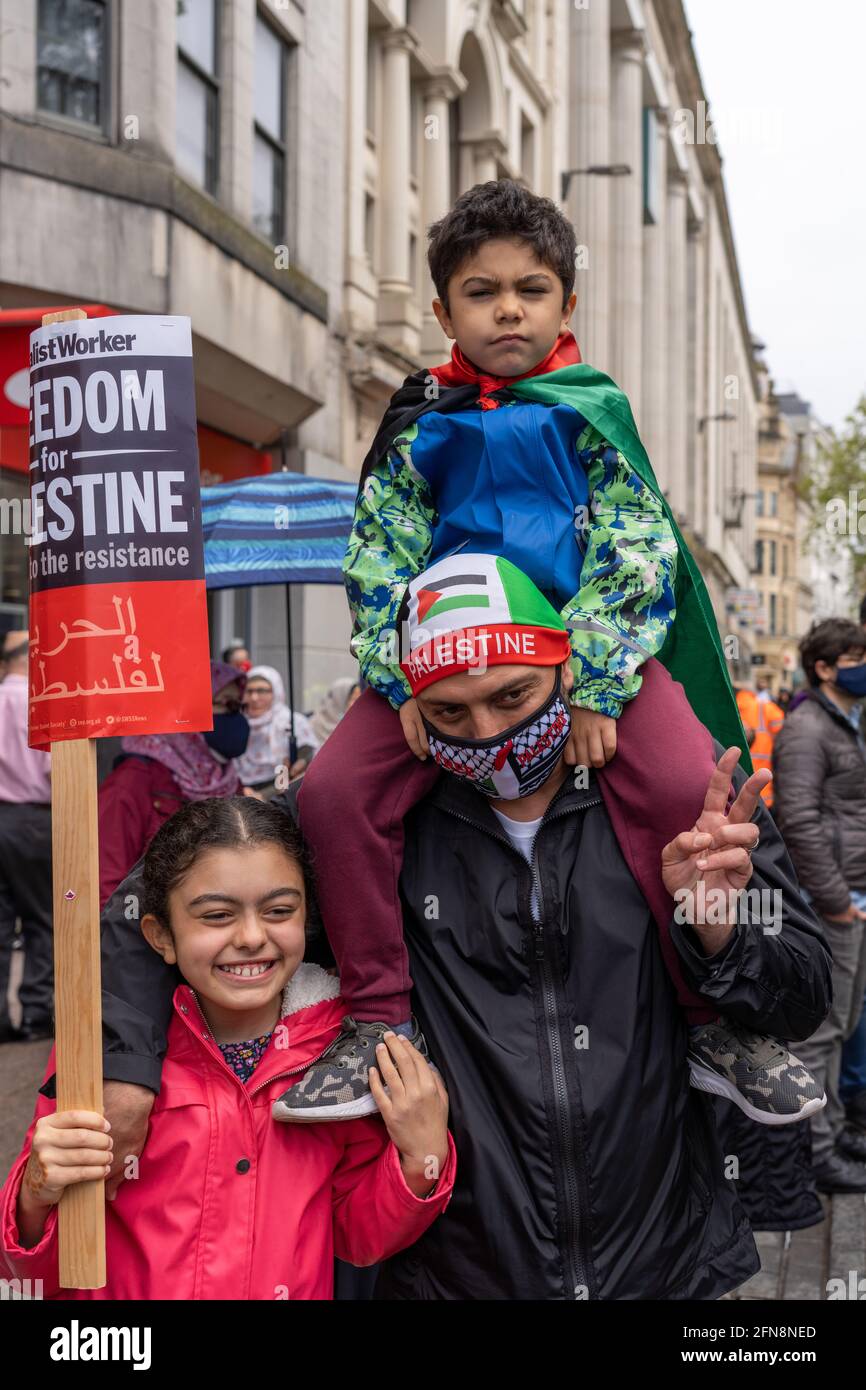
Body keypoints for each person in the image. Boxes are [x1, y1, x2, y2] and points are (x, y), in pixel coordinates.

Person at [57, 560, 830, 1299]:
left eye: (515, 697)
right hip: (455, 1271)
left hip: (662, 1260)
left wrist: (716, 929)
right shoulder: (355, 825)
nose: (488, 730)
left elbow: (802, 1001)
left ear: (571, 671)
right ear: (407, 705)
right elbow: (150, 907)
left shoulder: (690, 811)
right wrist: (124, 1075)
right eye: (451, 712)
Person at [290, 178, 816, 1123]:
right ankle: (375, 1018)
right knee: (330, 795)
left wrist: (601, 685)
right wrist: (395, 677)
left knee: (682, 783)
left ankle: (712, 1024)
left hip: (578, 668)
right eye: (481, 291)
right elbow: (378, 559)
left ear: (566, 304)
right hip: (438, 671)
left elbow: (638, 547)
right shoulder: (418, 426)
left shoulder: (591, 415)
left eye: (530, 289)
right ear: (445, 307)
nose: (507, 309)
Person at [0, 797, 455, 1300]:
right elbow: (31, 1283)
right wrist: (33, 1198)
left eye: (279, 911)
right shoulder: (104, 1062)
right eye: (216, 916)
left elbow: (356, 1238)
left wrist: (421, 1158)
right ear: (160, 936)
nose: (252, 937)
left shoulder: (339, 1060)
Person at [773, 618, 866, 1192]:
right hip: (835, 902)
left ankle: (834, 1129)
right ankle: (817, 1155)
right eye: (855, 657)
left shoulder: (846, 721)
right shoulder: (807, 728)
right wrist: (835, 903)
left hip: (854, 896)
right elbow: (800, 822)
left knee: (847, 1022)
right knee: (826, 1029)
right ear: (824, 667)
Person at [97, 661, 249, 905]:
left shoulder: (227, 779)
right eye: (227, 705)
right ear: (187, 710)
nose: (237, 717)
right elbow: (106, 882)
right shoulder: (134, 781)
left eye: (240, 706)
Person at [0, 632, 54, 1043]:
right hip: (34, 819)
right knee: (42, 921)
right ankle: (36, 1014)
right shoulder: (41, 703)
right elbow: (55, 770)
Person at [235, 665, 319, 795]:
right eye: (249, 691)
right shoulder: (238, 722)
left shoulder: (292, 722)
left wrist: (266, 795)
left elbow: (305, 757)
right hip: (241, 792)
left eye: (262, 691)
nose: (254, 698)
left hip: (280, 791)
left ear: (276, 691)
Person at [735, 685, 784, 808]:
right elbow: (786, 739)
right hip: (763, 793)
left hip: (732, 795)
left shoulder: (721, 711)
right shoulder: (765, 708)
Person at [309, 675, 362, 749]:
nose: (356, 703)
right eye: (353, 699)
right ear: (339, 699)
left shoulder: (358, 726)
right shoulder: (314, 725)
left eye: (358, 699)